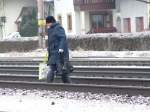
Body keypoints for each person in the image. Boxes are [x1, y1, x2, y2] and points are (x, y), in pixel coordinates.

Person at [46, 16, 71, 83]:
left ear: (51, 22)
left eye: (47, 23)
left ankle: (49, 84)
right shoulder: (50, 29)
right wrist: (48, 49)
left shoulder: (58, 28)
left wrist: (61, 48)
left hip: (59, 52)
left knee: (59, 69)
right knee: (58, 68)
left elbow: (63, 38)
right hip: (53, 52)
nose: (47, 25)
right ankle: (68, 84)